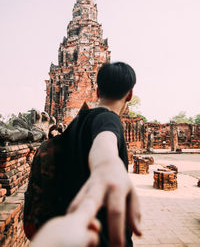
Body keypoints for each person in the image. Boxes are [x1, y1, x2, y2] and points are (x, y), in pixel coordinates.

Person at [24, 62, 142, 247]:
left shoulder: (76, 125)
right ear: (130, 94)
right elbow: (105, 141)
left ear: (97, 91)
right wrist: (107, 163)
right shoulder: (109, 118)